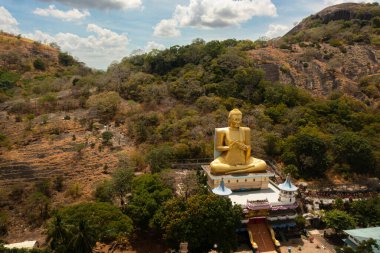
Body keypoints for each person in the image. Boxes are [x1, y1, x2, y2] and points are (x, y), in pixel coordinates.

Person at [210, 108, 267, 175]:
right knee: (214, 167)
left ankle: (239, 168)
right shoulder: (222, 131)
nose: (238, 122)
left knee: (263, 164)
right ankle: (243, 168)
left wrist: (245, 147)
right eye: (235, 119)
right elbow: (218, 147)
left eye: (240, 119)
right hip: (226, 160)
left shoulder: (246, 130)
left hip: (244, 159)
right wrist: (228, 147)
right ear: (229, 119)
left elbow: (248, 146)